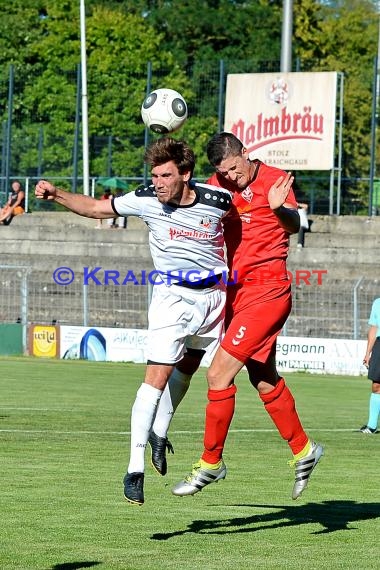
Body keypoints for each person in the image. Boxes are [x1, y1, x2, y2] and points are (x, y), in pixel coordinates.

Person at [35, 137, 232, 506]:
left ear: (185, 175)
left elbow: (245, 227)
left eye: (165, 175)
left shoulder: (218, 201)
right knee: (155, 379)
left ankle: (160, 432)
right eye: (154, 175)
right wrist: (58, 194)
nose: (157, 182)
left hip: (214, 299)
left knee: (187, 368)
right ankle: (134, 470)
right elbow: (96, 208)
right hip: (172, 299)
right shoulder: (144, 199)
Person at [168, 132, 323, 501]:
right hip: (234, 293)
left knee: (218, 373)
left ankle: (211, 463)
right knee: (263, 377)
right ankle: (304, 449)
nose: (231, 178)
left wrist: (278, 208)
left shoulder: (275, 181)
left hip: (268, 292)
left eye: (234, 169)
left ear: (246, 154)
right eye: (223, 172)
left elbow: (291, 224)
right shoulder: (217, 185)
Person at [360, 297, 380, 434]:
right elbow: (374, 328)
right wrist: (368, 353)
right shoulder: (378, 303)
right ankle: (371, 426)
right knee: (376, 385)